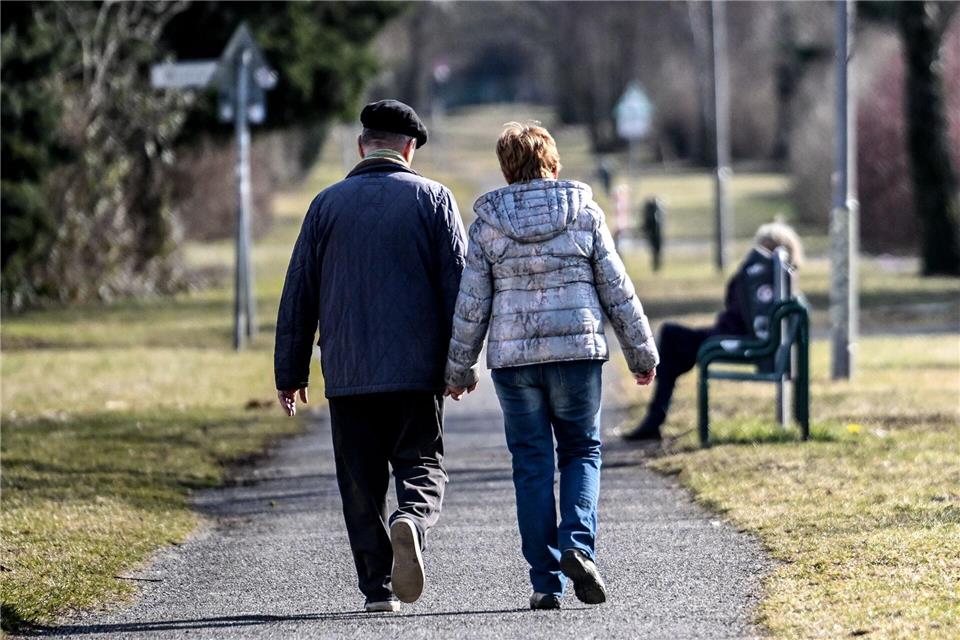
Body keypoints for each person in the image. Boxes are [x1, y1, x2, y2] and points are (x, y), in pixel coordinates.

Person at [444, 122, 659, 610]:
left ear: (506, 166)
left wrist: (458, 371)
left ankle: (545, 582)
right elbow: (617, 289)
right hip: (577, 356)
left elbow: (472, 303)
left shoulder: (488, 223)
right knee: (581, 449)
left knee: (531, 462)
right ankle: (577, 548)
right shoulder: (584, 212)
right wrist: (642, 354)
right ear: (552, 161)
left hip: (515, 362)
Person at [274, 99, 467, 613]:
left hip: (348, 372)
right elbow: (460, 292)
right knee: (423, 464)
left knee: (360, 484)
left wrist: (290, 373)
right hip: (416, 371)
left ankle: (377, 592)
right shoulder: (435, 200)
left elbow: (299, 294)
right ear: (409, 149)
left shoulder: (325, 205)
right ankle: (413, 520)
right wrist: (461, 363)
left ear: (363, 145)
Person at [621, 221, 805, 442]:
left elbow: (739, 308)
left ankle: (655, 417)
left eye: (765, 246)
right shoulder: (777, 277)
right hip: (733, 334)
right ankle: (655, 415)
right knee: (673, 343)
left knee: (671, 338)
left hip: (735, 338)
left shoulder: (761, 275)